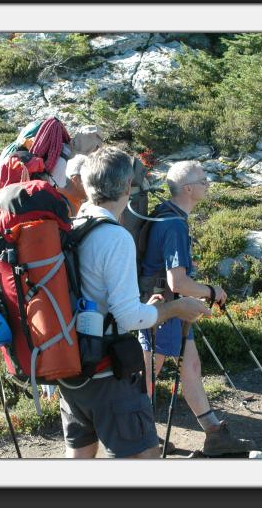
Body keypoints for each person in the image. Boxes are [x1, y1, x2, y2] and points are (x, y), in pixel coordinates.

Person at [58, 147, 211, 459]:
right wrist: (174, 308)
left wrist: (150, 308)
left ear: (86, 184)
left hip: (71, 365)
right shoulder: (114, 237)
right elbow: (128, 317)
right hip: (105, 370)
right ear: (128, 187)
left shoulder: (74, 225)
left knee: (80, 456)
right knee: (144, 456)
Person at [138, 160, 256, 456]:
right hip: (163, 308)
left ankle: (214, 434)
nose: (208, 184)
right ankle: (139, 436)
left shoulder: (167, 214)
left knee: (190, 367)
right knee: (148, 375)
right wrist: (211, 291)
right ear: (188, 189)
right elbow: (177, 281)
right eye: (203, 181)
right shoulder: (174, 223)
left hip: (169, 306)